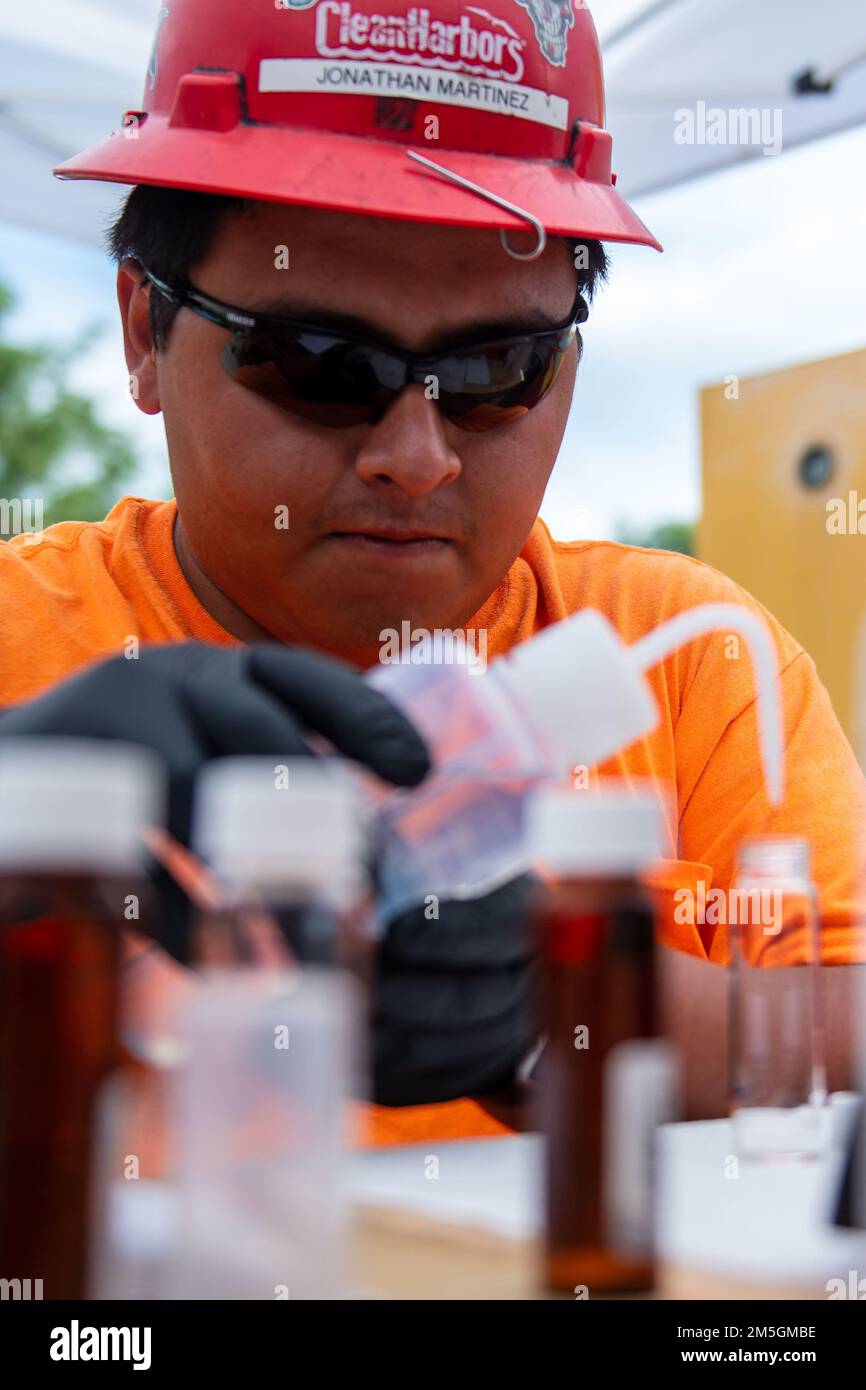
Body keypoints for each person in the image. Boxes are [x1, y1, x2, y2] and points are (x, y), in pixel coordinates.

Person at [1, 0, 863, 1141]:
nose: (414, 457)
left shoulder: (687, 659)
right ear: (142, 333)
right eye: (317, 362)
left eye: (499, 369)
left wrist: (563, 1011)